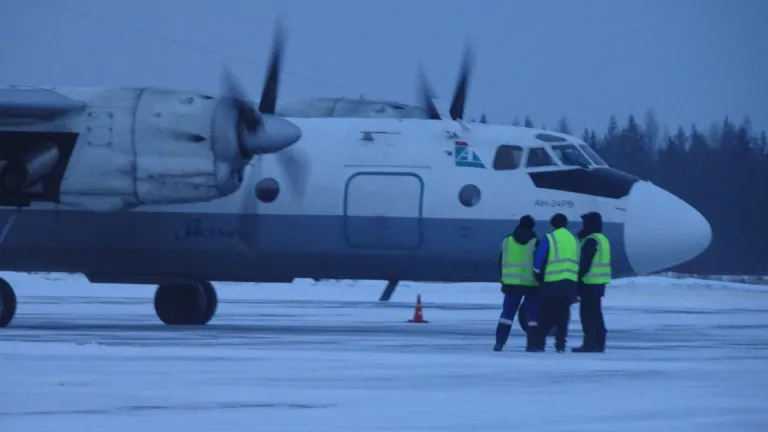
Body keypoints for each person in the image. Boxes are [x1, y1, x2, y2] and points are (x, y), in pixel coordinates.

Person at [529, 213, 579, 352]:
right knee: (563, 316)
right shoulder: (574, 240)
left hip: (551, 283)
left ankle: (540, 344)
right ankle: (561, 344)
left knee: (546, 315)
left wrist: (537, 274)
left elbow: (539, 258)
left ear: (552, 224)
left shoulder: (549, 238)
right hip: (569, 283)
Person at [493, 215, 540, 352]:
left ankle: (499, 343)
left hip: (511, 283)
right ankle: (532, 345)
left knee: (506, 315)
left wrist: (503, 279)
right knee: (532, 317)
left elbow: (501, 261)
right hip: (531, 283)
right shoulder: (536, 242)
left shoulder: (507, 240)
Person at [572, 212, 611, 353]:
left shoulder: (591, 240)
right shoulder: (602, 239)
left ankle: (588, 343)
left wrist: (577, 279)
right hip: (599, 282)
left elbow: (585, 263)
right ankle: (599, 342)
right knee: (596, 313)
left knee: (587, 314)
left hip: (588, 282)